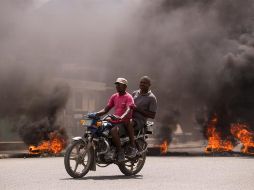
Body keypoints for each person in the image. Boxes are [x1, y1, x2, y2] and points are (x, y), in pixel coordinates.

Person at [93, 77, 137, 162]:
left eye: (119, 85)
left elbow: (128, 109)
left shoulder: (129, 97)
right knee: (97, 125)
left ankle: (120, 152)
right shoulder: (114, 96)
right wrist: (95, 114)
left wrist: (121, 117)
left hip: (124, 122)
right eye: (116, 85)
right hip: (114, 120)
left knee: (113, 130)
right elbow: (106, 109)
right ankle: (103, 149)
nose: (117, 86)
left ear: (125, 86)